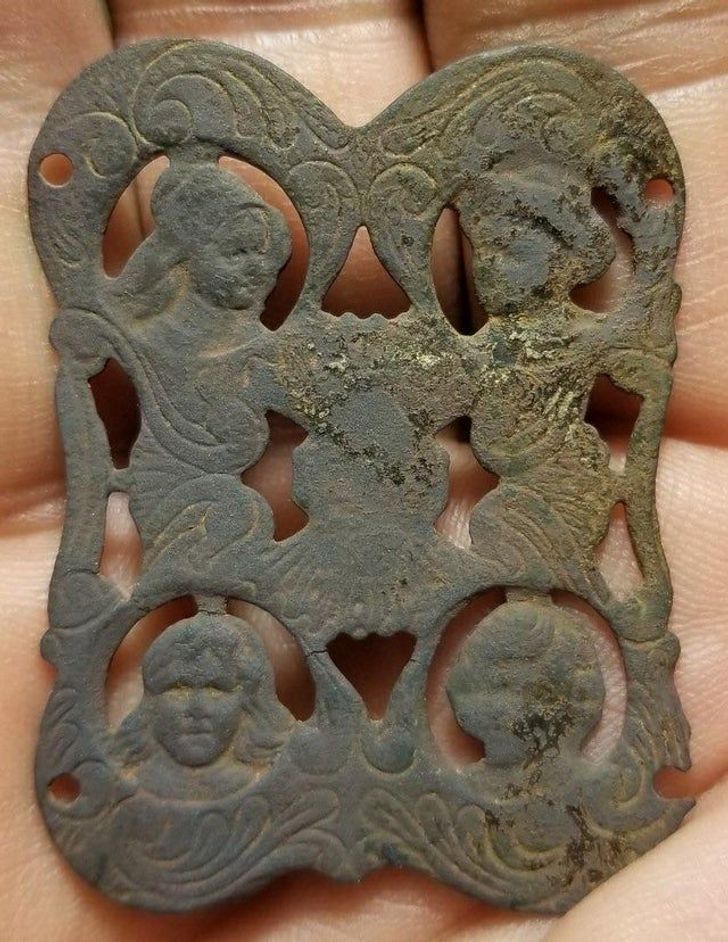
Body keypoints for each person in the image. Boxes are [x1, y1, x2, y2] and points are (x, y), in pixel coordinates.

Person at [5, 2, 722, 939]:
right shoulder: (210, 374)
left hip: (520, 519)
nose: (494, 267)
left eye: (515, 246)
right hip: (225, 524)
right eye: (488, 247)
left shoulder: (533, 374)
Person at [116, 613, 293, 800]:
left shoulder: (289, 793)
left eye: (216, 689)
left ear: (248, 701)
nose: (197, 709)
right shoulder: (114, 791)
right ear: (151, 701)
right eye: (178, 689)